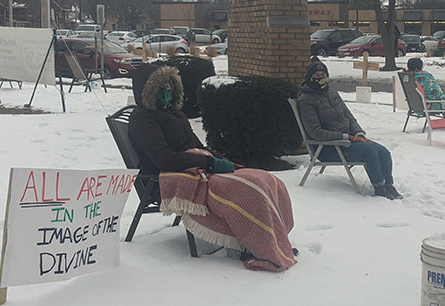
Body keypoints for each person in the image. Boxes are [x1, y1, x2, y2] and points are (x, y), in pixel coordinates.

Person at [128, 63, 297, 271]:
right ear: (148, 90)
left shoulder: (176, 115)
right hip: (167, 177)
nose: (167, 92)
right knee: (246, 190)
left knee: (264, 179)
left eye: (170, 86)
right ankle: (259, 246)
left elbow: (197, 146)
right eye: (161, 87)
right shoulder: (143, 120)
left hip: (195, 167)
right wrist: (209, 163)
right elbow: (164, 159)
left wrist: (224, 160)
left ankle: (275, 240)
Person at [296, 60, 402, 200]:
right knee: (370, 152)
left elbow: (349, 118)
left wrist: (358, 134)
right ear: (309, 77)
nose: (320, 77)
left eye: (323, 74)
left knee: (383, 151)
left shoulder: (332, 94)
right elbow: (316, 133)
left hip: (347, 142)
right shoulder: (306, 100)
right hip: (328, 148)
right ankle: (379, 188)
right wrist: (348, 137)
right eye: (317, 74)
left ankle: (389, 186)